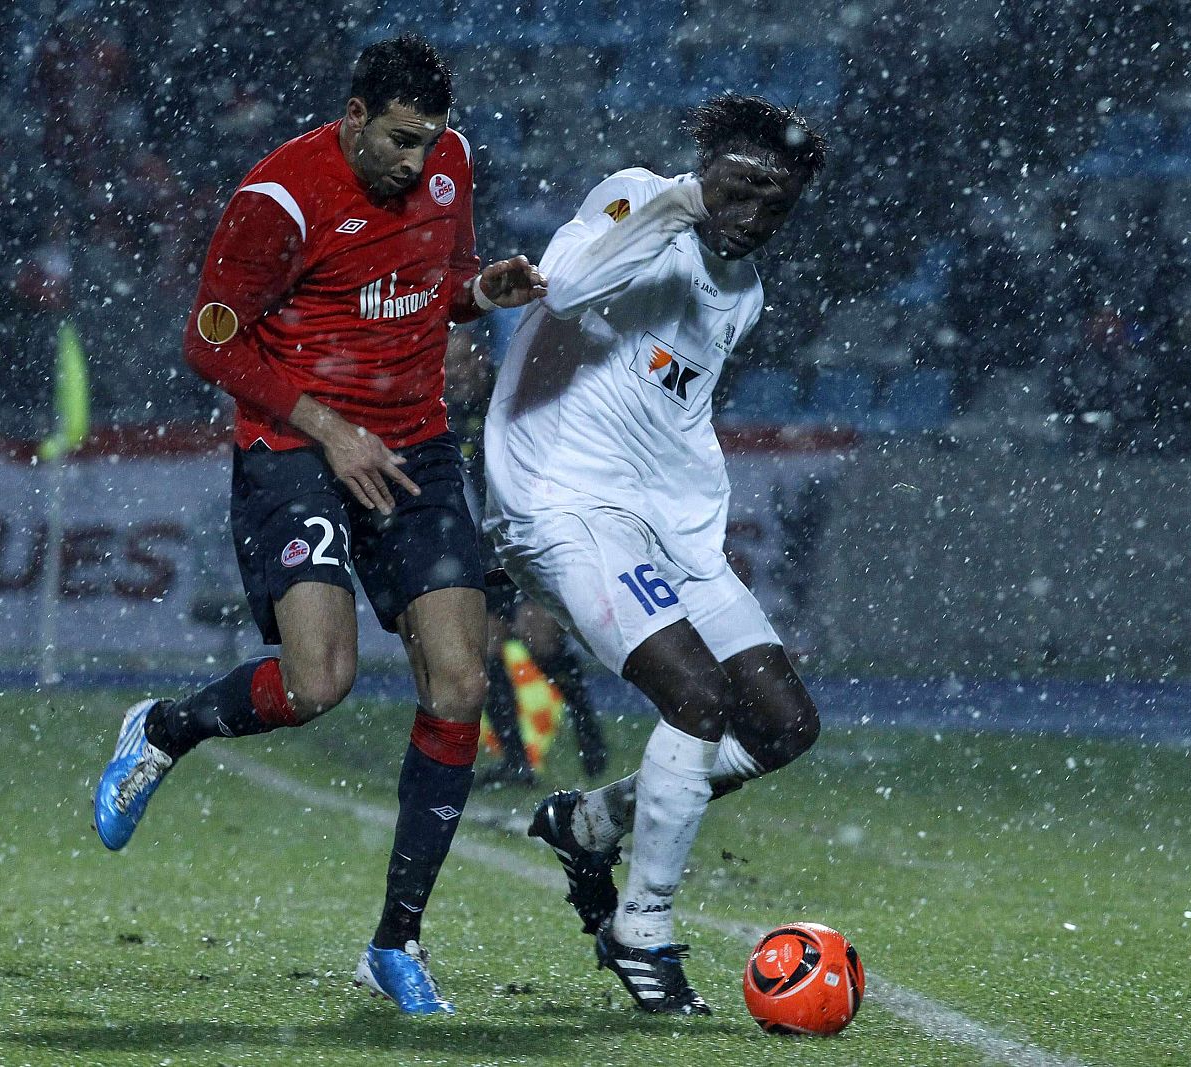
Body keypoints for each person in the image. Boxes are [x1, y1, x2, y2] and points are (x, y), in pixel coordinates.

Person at [91, 34, 546, 1016]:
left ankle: (395, 943)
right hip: (295, 444)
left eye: (429, 140)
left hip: (413, 444)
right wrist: (326, 425)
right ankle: (166, 728)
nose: (417, 160)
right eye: (397, 139)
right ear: (350, 115)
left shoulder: (450, 162)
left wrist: (482, 292)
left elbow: (435, 280)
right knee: (318, 682)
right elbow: (210, 339)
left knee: (462, 681)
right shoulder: (277, 199)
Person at [483, 95, 829, 1015]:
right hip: (561, 503)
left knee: (785, 724)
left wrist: (690, 531)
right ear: (705, 167)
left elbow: (669, 407)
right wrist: (680, 202)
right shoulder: (639, 197)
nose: (755, 217)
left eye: (776, 205)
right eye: (742, 189)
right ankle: (643, 927)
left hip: (662, 527)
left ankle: (588, 821)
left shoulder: (742, 294)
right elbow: (562, 287)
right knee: (698, 700)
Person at [443, 328, 608, 787]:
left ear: (479, 359)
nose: (450, 377)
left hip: (533, 533)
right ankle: (516, 761)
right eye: (444, 369)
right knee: (488, 645)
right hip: (489, 541)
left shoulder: (513, 394)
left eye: (457, 365)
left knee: (540, 639)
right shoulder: (449, 413)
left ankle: (586, 725)